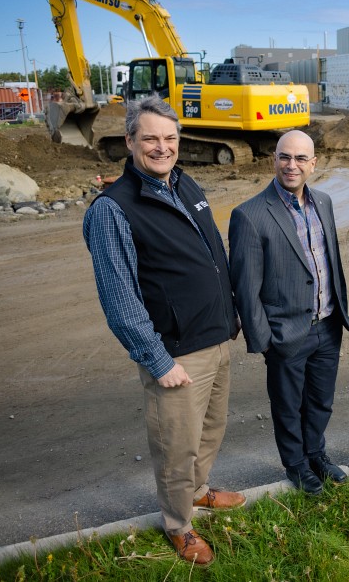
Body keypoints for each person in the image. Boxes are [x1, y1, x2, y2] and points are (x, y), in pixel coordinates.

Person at [83, 95, 244, 567]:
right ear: (129, 141)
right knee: (176, 446)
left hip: (213, 337)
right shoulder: (113, 209)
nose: (162, 147)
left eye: (170, 138)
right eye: (150, 138)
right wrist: (158, 360)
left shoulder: (184, 182)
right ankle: (179, 525)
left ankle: (198, 492)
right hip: (174, 353)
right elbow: (119, 299)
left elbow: (213, 253)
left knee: (209, 431)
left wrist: (229, 314)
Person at [229, 130, 349, 495]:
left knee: (320, 401)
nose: (292, 165)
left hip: (327, 325)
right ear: (274, 159)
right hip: (286, 334)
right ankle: (296, 465)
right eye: (285, 157)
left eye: (301, 158)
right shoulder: (250, 215)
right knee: (288, 406)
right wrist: (265, 342)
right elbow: (245, 287)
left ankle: (316, 454)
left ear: (313, 164)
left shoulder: (325, 202)